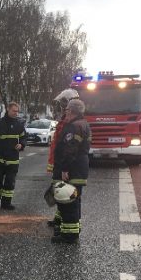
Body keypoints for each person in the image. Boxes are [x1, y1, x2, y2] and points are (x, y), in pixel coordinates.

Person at [51, 99, 90, 244]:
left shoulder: (74, 126)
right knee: (75, 199)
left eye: (67, 110)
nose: (65, 112)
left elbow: (70, 150)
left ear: (72, 111)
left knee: (69, 201)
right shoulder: (83, 124)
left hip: (72, 169)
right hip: (80, 168)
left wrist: (65, 168)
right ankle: (72, 229)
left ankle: (69, 235)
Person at [47, 88, 80, 229]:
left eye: (64, 105)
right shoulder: (65, 121)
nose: (62, 108)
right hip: (59, 163)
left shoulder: (72, 123)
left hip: (65, 164)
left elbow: (68, 147)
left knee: (67, 193)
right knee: (60, 191)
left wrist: (64, 166)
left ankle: (68, 224)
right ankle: (60, 218)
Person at [0, 101, 26, 210]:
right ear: (8, 109)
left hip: (13, 160)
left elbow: (24, 138)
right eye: (14, 111)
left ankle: (6, 203)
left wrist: (21, 144)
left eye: (17, 111)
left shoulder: (19, 124)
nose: (16, 113)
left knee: (9, 183)